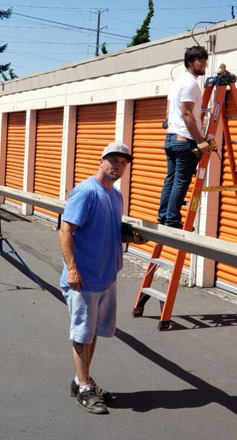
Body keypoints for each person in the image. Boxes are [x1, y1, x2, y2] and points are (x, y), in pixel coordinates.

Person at [59, 142, 145, 415]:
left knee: (93, 333)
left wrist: (129, 235)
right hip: (84, 279)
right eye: (114, 160)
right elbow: (65, 230)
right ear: (101, 160)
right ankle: (84, 388)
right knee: (83, 334)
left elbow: (109, 228)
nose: (118, 166)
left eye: (123, 162)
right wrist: (72, 269)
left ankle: (79, 380)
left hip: (106, 277)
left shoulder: (116, 195)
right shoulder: (86, 192)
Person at [157, 45, 211, 229]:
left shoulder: (177, 83)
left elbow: (168, 111)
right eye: (200, 60)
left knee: (170, 179)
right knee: (180, 181)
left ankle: (164, 216)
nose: (204, 64)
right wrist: (200, 140)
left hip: (171, 138)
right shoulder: (190, 83)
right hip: (184, 139)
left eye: (205, 60)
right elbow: (187, 113)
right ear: (190, 62)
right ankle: (172, 220)